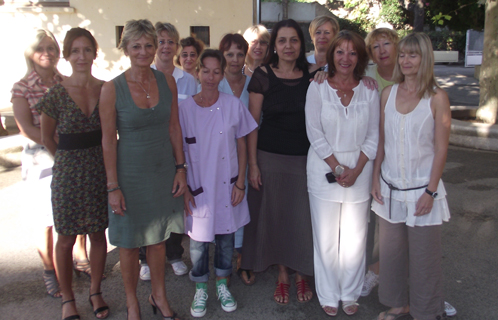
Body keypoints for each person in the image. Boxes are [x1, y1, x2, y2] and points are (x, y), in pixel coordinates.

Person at [363, 28, 457, 318]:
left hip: (421, 192)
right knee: (391, 257)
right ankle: (398, 303)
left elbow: (441, 149)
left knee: (424, 258)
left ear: (424, 58)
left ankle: (426, 309)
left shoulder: (437, 98)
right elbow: (381, 142)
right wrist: (376, 177)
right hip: (389, 190)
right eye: (402, 54)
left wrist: (430, 191)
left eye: (412, 55)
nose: (405, 60)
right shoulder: (388, 94)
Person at [99, 19, 185, 320]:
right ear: (125, 49)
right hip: (129, 175)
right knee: (128, 242)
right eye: (136, 45)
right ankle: (132, 302)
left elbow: (175, 128)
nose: (144, 51)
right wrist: (113, 186)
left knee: (159, 240)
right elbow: (108, 141)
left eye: (150, 44)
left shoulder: (167, 81)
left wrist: (180, 168)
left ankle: (158, 295)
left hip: (163, 171)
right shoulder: (112, 89)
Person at [241, 19, 321, 305]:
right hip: (269, 158)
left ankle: (302, 272)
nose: (288, 46)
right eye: (282, 41)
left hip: (305, 159)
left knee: (301, 218)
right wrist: (252, 164)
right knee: (275, 218)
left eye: (294, 40)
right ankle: (283, 274)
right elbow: (251, 124)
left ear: (302, 44)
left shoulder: (316, 75)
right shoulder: (262, 75)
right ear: (275, 46)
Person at [11, 29, 90, 300]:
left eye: (52, 47)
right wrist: (60, 144)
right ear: (30, 53)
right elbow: (27, 129)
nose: (47, 52)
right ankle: (50, 271)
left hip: (71, 157)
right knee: (46, 219)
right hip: (41, 159)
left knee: (75, 213)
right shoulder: (22, 87)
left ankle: (80, 259)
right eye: (41, 48)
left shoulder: (66, 81)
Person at [305, 30, 379, 317]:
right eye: (340, 51)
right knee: (325, 239)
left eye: (352, 52)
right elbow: (315, 133)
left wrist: (357, 170)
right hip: (324, 168)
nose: (345, 58)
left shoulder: (369, 90)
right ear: (331, 54)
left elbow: (373, 136)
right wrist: (337, 168)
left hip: (360, 171)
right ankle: (328, 293)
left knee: (355, 238)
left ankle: (349, 293)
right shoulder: (318, 87)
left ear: (359, 57)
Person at [37, 27, 109, 320]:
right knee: (65, 239)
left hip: (99, 173)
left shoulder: (106, 89)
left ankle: (95, 291)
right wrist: (67, 163)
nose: (82, 56)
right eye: (76, 51)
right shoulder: (55, 94)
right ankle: (68, 298)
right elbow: (47, 137)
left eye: (87, 50)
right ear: (67, 56)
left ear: (95, 53)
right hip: (67, 176)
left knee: (98, 234)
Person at [181, 49, 258, 318]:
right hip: (198, 187)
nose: (211, 77)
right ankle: (200, 287)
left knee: (226, 238)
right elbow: (179, 151)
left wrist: (240, 183)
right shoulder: (185, 109)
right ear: (197, 72)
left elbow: (243, 142)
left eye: (217, 71)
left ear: (222, 73)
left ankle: (223, 284)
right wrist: (183, 186)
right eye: (206, 70)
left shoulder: (232, 104)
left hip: (227, 185)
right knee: (198, 243)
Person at [137, 21, 197, 282]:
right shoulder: (143, 75)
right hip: (150, 150)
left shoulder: (189, 81)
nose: (165, 46)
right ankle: (145, 257)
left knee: (174, 203)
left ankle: (174, 254)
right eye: (160, 41)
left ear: (176, 46)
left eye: (170, 41)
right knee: (148, 205)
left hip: (178, 151)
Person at [218, 33, 255, 285]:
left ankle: (243, 256)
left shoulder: (254, 83)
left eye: (240, 53)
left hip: (247, 151)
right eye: (229, 54)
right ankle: (223, 261)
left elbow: (255, 124)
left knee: (243, 201)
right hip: (220, 155)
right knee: (223, 203)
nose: (235, 59)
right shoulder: (213, 82)